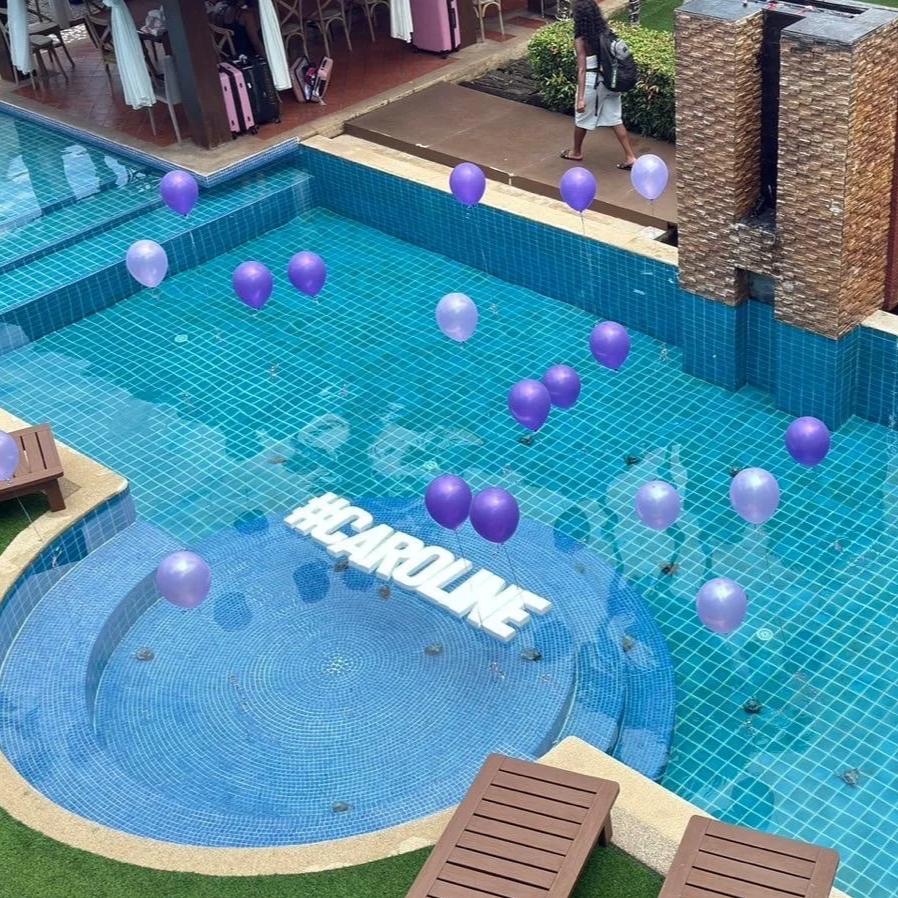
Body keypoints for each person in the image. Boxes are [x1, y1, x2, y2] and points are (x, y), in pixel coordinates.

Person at [560, 0, 637, 170]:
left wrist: (580, 99)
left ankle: (576, 152)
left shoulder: (581, 40)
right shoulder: (606, 33)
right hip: (611, 81)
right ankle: (631, 156)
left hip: (592, 83)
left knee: (581, 120)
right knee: (616, 119)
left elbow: (582, 69)